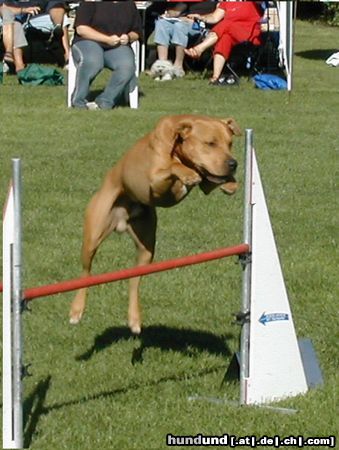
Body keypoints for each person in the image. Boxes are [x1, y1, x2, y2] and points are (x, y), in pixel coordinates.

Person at [71, 0, 142, 110]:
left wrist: (128, 37)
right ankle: (78, 100)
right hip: (88, 40)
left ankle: (105, 101)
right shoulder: (90, 2)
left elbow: (136, 31)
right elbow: (81, 29)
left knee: (127, 66)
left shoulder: (129, 4)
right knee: (93, 61)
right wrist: (107, 39)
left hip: (116, 44)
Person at [184, 1, 264, 85]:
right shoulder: (226, 3)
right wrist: (201, 17)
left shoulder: (252, 2)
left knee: (226, 24)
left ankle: (199, 48)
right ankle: (215, 77)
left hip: (250, 34)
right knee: (224, 38)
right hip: (231, 32)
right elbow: (214, 17)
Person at [151, 0, 217, 81]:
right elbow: (176, 12)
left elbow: (217, 15)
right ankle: (162, 66)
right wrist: (169, 14)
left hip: (202, 25)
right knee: (161, 23)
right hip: (185, 21)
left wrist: (199, 18)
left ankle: (178, 66)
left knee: (180, 26)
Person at [0, 2, 40, 73]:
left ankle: (19, 65)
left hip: (10, 20)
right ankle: (9, 53)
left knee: (16, 25)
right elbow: (3, 8)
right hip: (4, 18)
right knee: (7, 13)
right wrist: (24, 10)